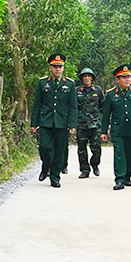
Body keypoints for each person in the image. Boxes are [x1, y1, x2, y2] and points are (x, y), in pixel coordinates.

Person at [31, 53, 77, 188]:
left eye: (60, 67)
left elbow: (73, 106)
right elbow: (37, 104)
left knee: (59, 150)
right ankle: (46, 166)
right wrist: (34, 123)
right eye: (55, 67)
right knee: (44, 147)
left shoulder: (70, 84)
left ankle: (55, 176)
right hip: (45, 121)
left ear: (63, 68)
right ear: (50, 68)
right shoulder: (43, 82)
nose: (58, 69)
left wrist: (72, 124)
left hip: (62, 122)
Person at [101, 64, 131, 190]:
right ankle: (119, 179)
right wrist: (103, 132)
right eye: (124, 77)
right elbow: (106, 115)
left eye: (129, 77)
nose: (128, 80)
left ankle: (127, 176)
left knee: (130, 154)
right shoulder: (111, 95)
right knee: (119, 154)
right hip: (118, 130)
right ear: (117, 79)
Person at [76, 68, 104, 178]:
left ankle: (95, 164)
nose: (87, 78)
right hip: (81, 124)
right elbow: (74, 108)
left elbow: (103, 107)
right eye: (84, 76)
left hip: (95, 125)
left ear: (92, 78)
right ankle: (84, 170)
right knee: (81, 149)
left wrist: (106, 122)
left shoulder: (97, 90)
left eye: (89, 76)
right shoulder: (77, 91)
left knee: (96, 147)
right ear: (82, 78)